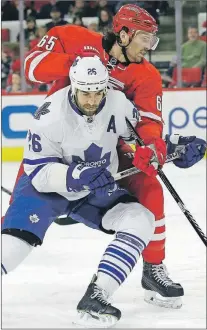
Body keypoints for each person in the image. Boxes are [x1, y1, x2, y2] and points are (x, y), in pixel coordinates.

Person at [18, 4, 207, 308]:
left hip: (106, 144)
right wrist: (79, 63)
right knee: (20, 210)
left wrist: (153, 148)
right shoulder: (74, 37)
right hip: (57, 141)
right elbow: (31, 67)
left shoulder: (145, 75)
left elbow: (148, 123)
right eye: (145, 38)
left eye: (152, 40)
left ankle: (153, 268)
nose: (149, 47)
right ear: (123, 33)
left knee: (150, 187)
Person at [2, 56, 155, 327]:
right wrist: (74, 175)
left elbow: (137, 141)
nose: (93, 100)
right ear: (74, 86)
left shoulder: (118, 104)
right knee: (13, 247)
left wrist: (164, 149)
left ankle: (97, 295)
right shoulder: (49, 115)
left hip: (94, 185)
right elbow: (37, 171)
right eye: (86, 92)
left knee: (140, 219)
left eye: (98, 92)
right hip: (47, 187)